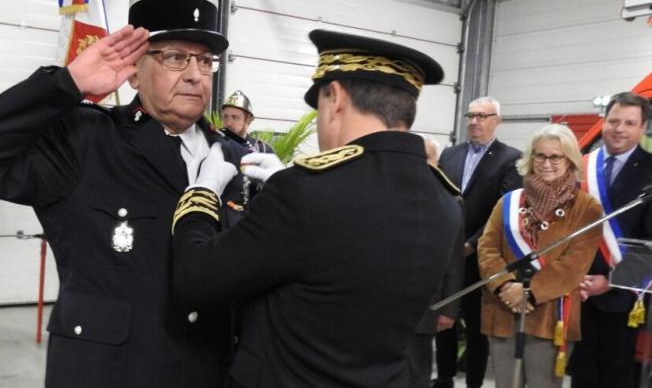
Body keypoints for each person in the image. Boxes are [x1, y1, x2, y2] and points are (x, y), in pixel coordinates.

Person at [0, 0, 247, 388]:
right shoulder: (87, 140)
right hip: (110, 374)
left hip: (207, 371)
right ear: (134, 71)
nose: (196, 75)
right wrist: (66, 84)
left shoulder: (232, 158)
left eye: (205, 60)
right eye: (176, 57)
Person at [170, 29, 464, 387]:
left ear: (336, 98)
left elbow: (196, 278)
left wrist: (201, 193)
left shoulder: (305, 191)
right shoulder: (444, 202)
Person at [478, 123, 602, 388]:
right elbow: (487, 248)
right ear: (530, 158)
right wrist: (504, 286)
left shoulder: (587, 207)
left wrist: (528, 293)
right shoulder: (509, 201)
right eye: (540, 155)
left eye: (556, 156)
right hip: (503, 309)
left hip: (550, 316)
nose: (547, 163)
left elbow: (574, 265)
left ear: (569, 160)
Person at [434, 96, 522, 388]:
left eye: (483, 116)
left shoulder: (511, 159)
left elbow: (504, 209)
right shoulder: (450, 154)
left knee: (476, 327)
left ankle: (473, 382)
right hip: (447, 254)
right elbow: (440, 200)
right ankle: (444, 378)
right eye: (471, 115)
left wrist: (472, 245)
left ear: (498, 121)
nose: (474, 121)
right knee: (444, 319)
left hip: (481, 257)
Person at [569, 92, 652, 388]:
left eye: (629, 123)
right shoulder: (580, 165)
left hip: (622, 293)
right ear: (603, 122)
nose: (619, 129)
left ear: (642, 128)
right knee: (581, 366)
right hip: (575, 287)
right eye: (614, 121)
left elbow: (650, 242)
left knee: (615, 371)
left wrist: (609, 281)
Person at [408, 134, 464, 388]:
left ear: (437, 162)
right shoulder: (393, 193)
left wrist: (449, 308)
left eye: (426, 158)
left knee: (418, 374)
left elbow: (454, 260)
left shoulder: (450, 202)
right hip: (386, 308)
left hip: (426, 307)